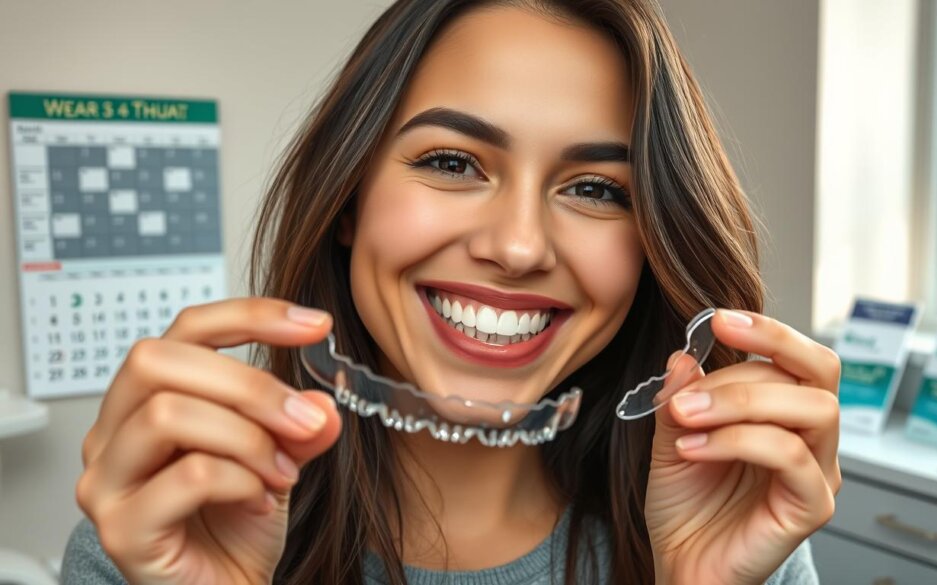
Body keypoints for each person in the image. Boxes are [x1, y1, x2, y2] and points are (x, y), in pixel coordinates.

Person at [63, 0, 841, 583]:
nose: (518, 246)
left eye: (598, 189)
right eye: (451, 163)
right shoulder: (163, 520)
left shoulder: (735, 526)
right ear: (346, 199)